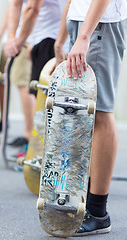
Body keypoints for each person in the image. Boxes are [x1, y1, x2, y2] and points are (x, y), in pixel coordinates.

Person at [54, 0, 127, 236]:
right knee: (83, 117)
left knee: (100, 114)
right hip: (82, 23)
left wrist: (83, 36)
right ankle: (84, 201)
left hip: (100, 25)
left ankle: (98, 212)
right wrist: (64, 36)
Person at [0, 1, 35, 148]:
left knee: (23, 85)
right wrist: (1, 35)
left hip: (25, 40)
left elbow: (35, 9)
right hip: (11, 40)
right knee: (2, 80)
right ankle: (4, 121)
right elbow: (12, 7)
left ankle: (29, 136)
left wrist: (29, 40)